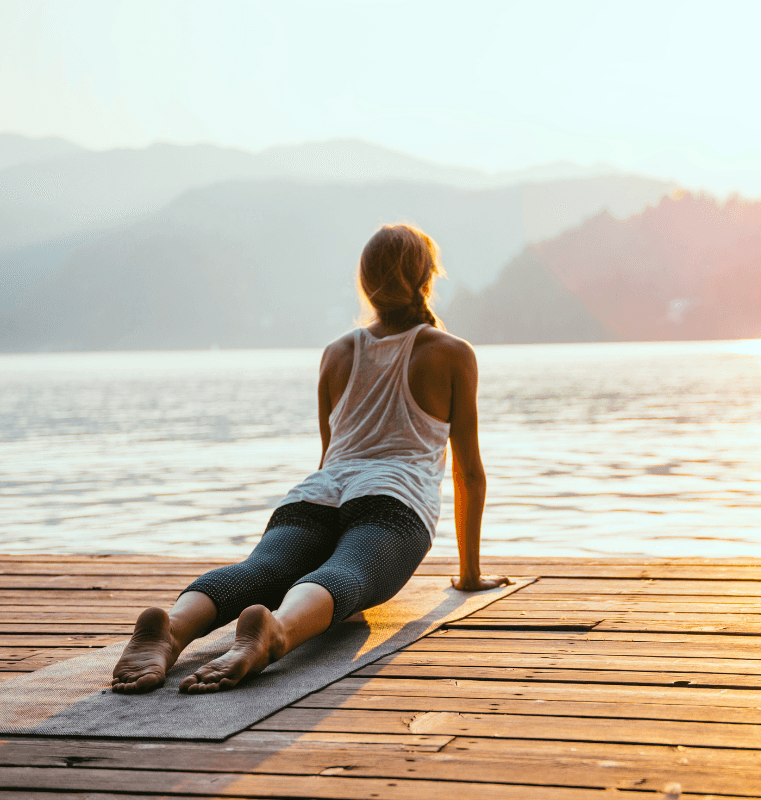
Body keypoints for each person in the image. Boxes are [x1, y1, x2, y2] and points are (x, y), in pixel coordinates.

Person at [111, 223, 510, 694]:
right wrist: (468, 575)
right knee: (346, 575)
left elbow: (329, 454)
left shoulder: (337, 352)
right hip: (392, 502)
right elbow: (468, 473)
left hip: (316, 494)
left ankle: (173, 626)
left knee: (257, 572)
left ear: (365, 284)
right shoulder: (451, 353)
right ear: (427, 278)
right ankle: (275, 631)